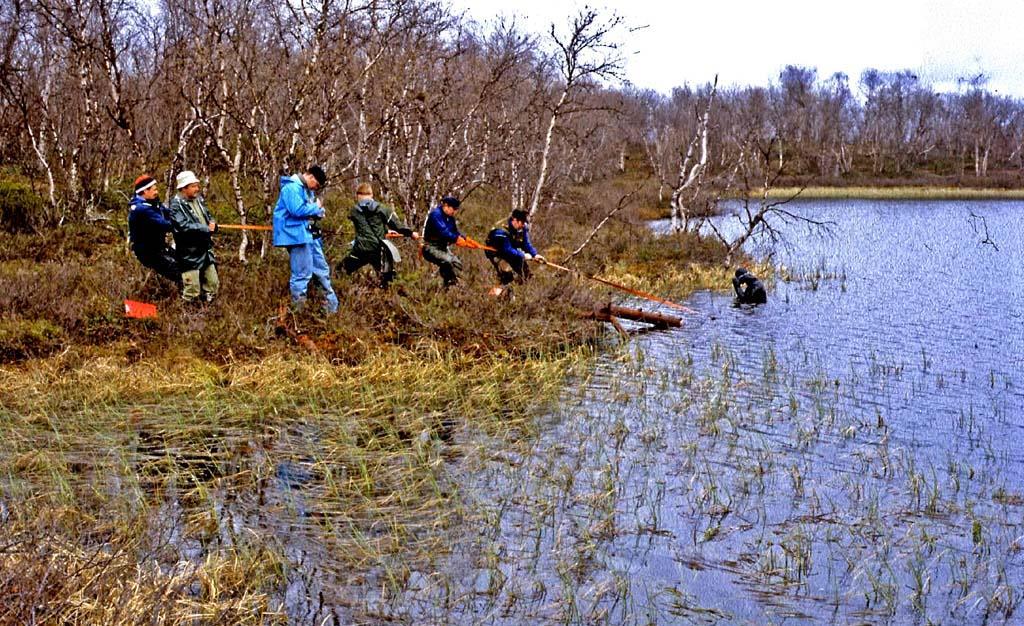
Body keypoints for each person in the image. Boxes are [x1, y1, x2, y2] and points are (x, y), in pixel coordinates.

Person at [272, 165, 339, 313]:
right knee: (302, 275)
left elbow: (306, 210)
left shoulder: (304, 190)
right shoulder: (291, 188)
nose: (316, 188)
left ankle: (330, 310)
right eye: (317, 185)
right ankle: (298, 314)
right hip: (295, 237)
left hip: (307, 235)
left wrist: (318, 212)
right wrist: (316, 208)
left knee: (321, 270)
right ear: (311, 177)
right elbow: (296, 210)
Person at [339, 182, 418, 288]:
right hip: (378, 249)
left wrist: (385, 231)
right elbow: (397, 227)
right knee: (388, 279)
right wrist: (411, 233)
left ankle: (338, 291)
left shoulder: (354, 211)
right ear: (371, 195)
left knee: (341, 270)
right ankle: (392, 296)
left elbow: (365, 226)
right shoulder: (383, 209)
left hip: (360, 249)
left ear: (358, 195)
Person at [168, 170, 219, 303]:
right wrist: (205, 229)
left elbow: (208, 216)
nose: (197, 189)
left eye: (197, 185)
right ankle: (187, 316)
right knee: (192, 289)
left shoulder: (199, 200)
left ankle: (208, 309)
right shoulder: (175, 205)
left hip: (205, 249)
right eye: (193, 186)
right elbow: (183, 226)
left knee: (213, 283)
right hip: (188, 253)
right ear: (184, 188)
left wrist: (213, 224)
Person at [127, 174, 180, 286]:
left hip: (160, 247)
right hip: (148, 253)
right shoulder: (142, 209)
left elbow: (168, 213)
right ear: (145, 191)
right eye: (154, 189)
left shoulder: (153, 203)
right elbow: (164, 225)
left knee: (185, 262)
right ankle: (189, 300)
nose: (156, 192)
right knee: (179, 273)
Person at [484, 209, 544, 285]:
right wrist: (523, 255)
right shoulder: (500, 231)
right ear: (515, 220)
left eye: (524, 223)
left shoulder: (522, 228)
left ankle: (518, 291)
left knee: (525, 273)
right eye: (522, 223)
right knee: (506, 275)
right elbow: (507, 249)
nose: (523, 225)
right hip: (497, 252)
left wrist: (535, 254)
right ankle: (499, 290)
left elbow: (525, 243)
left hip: (511, 251)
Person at [421, 196, 464, 288]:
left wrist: (464, 239)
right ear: (446, 206)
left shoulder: (450, 218)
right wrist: (456, 239)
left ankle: (448, 285)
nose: (455, 212)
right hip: (430, 247)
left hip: (443, 247)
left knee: (457, 264)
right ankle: (450, 283)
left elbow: (454, 232)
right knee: (448, 261)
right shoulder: (436, 215)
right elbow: (444, 232)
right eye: (453, 209)